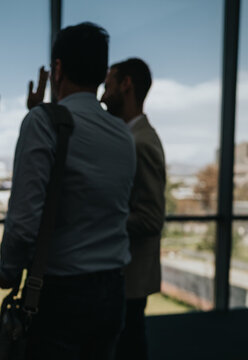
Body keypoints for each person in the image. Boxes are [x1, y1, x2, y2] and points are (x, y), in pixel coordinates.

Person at [0, 22, 137, 359]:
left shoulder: (42, 121)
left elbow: (24, 221)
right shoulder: (123, 134)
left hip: (62, 295)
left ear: (57, 69)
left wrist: (9, 271)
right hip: (113, 292)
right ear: (101, 73)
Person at [102, 58, 166, 360]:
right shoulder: (129, 137)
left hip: (129, 278)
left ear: (126, 84)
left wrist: (103, 218)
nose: (103, 93)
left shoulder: (140, 142)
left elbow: (151, 219)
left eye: (108, 84)